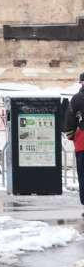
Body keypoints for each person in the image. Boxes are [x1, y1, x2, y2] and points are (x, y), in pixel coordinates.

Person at [63, 72, 84, 208]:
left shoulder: (77, 99)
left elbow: (69, 121)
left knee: (83, 176)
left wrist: (72, 136)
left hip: (82, 143)